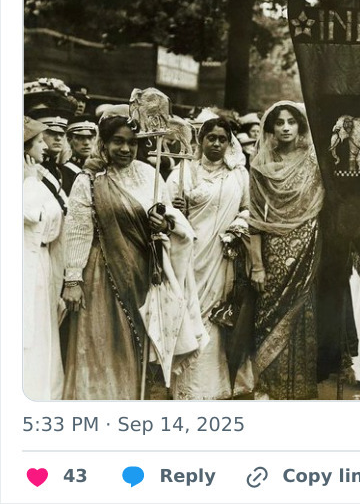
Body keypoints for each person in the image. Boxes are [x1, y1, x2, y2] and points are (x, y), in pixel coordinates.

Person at [61, 114, 204, 400]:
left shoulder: (149, 176)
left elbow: (171, 219)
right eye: (118, 142)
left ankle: (130, 401)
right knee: (101, 340)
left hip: (142, 270)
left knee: (137, 341)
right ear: (103, 143)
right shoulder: (89, 180)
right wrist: (73, 279)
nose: (125, 149)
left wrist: (165, 225)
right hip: (102, 273)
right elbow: (77, 229)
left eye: (132, 143)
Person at [166, 117, 251, 400]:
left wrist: (237, 227)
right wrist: (177, 211)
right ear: (200, 140)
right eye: (210, 138)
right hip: (189, 255)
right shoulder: (183, 172)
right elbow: (164, 214)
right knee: (190, 313)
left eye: (222, 139)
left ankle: (217, 386)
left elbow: (249, 208)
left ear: (229, 142)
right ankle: (188, 389)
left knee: (217, 317)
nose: (216, 143)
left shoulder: (238, 174)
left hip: (223, 255)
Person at [248, 102, 324, 399]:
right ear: (270, 129)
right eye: (279, 122)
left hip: (307, 244)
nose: (285, 127)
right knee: (270, 314)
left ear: (300, 126)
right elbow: (254, 218)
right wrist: (257, 265)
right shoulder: (259, 165)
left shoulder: (314, 163)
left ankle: (300, 390)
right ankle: (269, 387)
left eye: (291, 121)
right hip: (273, 249)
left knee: (303, 314)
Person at [24, 117, 66, 399]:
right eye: (39, 141)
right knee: (29, 327)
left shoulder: (38, 175)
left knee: (42, 324)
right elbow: (32, 214)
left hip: (41, 259)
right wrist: (29, 182)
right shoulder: (28, 179)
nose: (44, 146)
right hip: (25, 260)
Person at [62, 117, 98, 195]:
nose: (86, 143)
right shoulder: (63, 172)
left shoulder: (101, 170)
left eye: (90, 137)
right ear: (69, 140)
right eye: (80, 138)